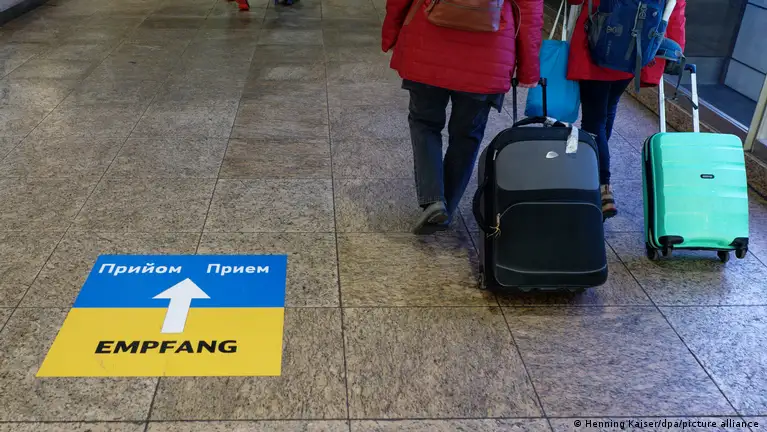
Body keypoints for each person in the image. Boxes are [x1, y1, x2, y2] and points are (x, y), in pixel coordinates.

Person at [382, 0, 544, 234]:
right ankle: (445, 207)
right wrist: (529, 68)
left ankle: (434, 201)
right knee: (467, 134)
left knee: (424, 123)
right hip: (489, 54)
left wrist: (391, 34)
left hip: (427, 43)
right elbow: (530, 10)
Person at [566, 0, 687, 219]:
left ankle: (601, 186)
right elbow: (676, 16)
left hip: (595, 46)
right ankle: (595, 171)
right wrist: (676, 52)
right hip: (634, 53)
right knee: (607, 111)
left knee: (594, 119)